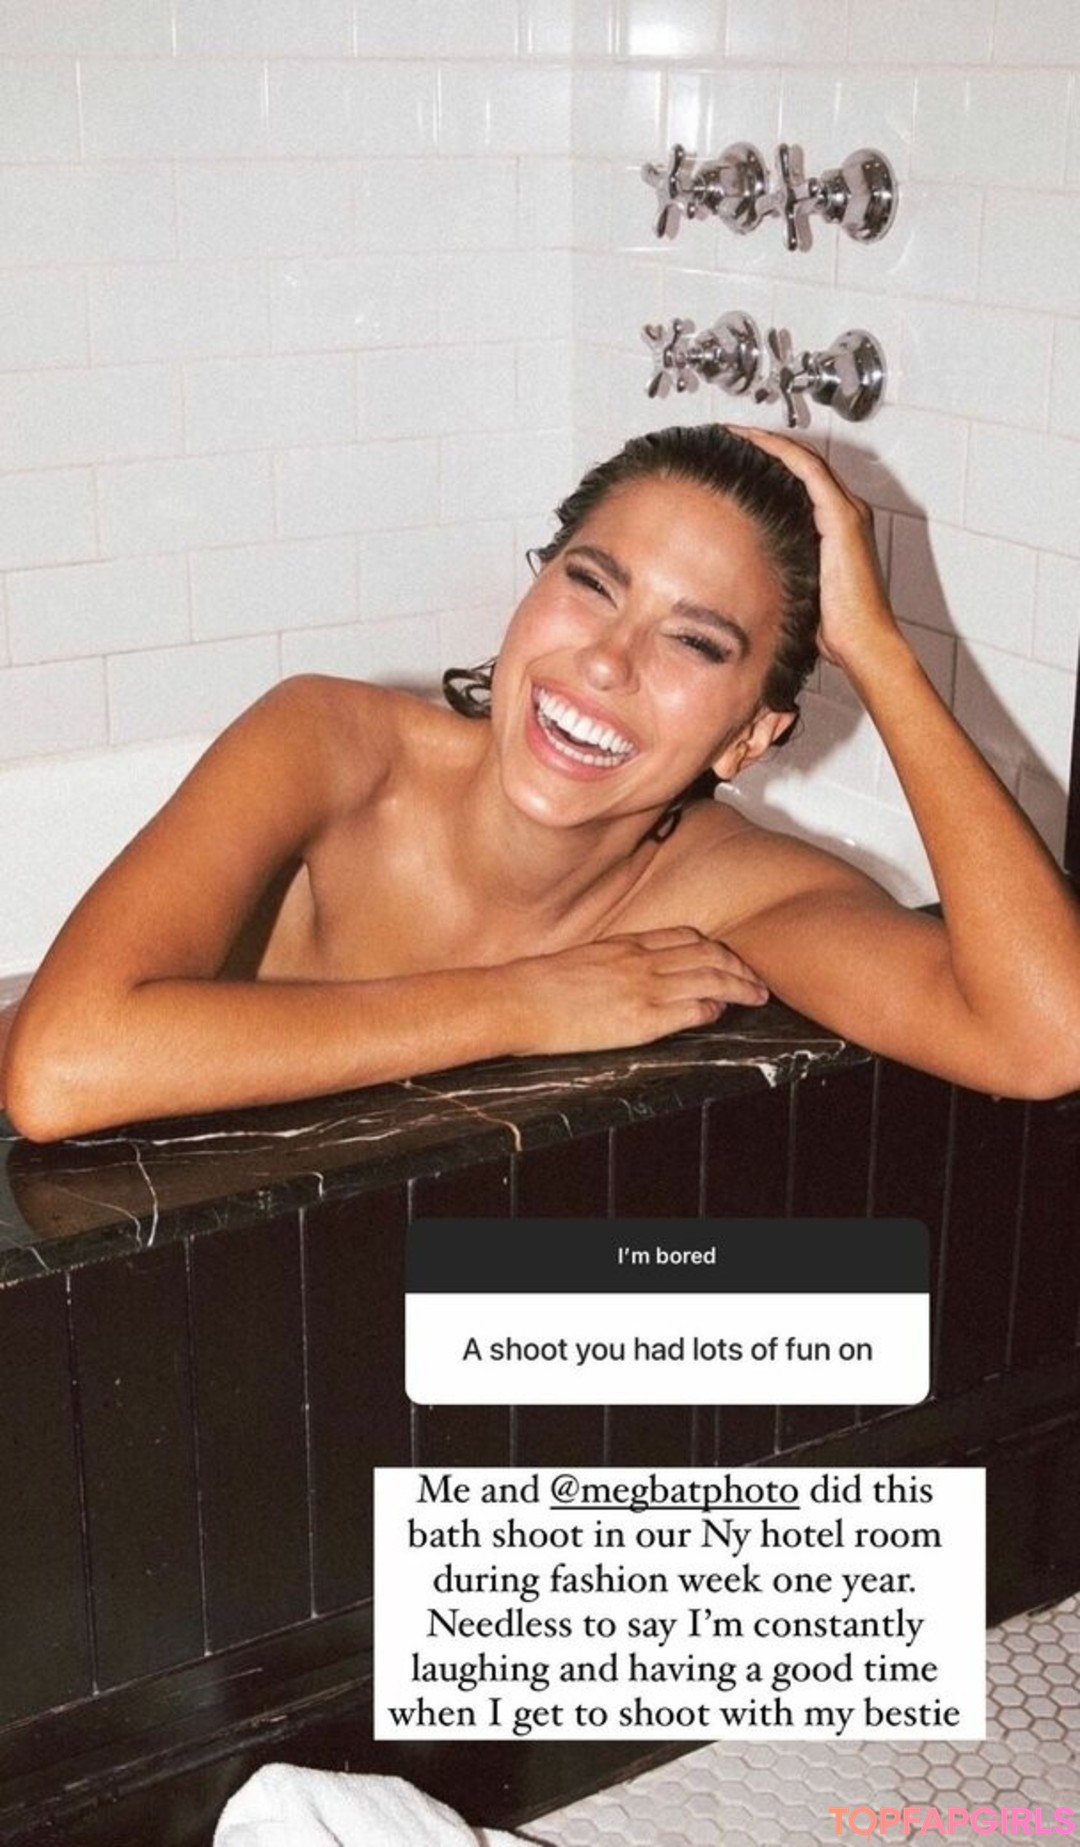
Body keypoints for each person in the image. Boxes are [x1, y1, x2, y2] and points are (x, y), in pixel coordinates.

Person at [2, 425, 1078, 1143]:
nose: (605, 660)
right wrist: (521, 1001)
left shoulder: (740, 893)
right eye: (591, 583)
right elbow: (58, 1068)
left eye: (695, 641)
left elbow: (1045, 1036)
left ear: (750, 737)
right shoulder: (332, 745)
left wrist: (880, 653)